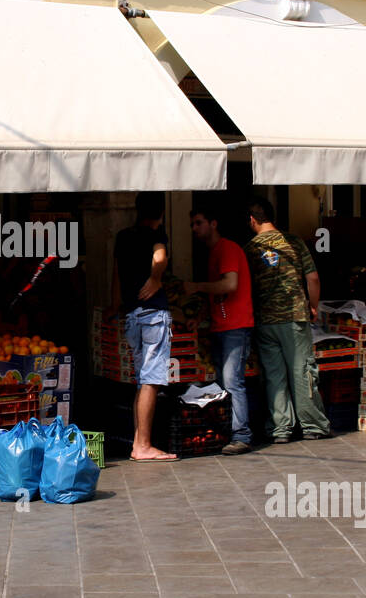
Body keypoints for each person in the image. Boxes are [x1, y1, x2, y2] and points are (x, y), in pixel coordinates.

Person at [243, 196, 331, 443]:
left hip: (265, 321)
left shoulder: (249, 249)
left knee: (274, 375)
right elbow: (313, 278)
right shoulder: (293, 241)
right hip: (294, 317)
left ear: (252, 220)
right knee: (302, 371)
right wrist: (313, 306)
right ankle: (312, 425)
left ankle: (280, 429)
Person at [111, 192, 177, 461]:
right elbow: (160, 258)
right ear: (161, 213)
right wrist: (155, 279)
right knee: (152, 380)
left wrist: (116, 306)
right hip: (153, 315)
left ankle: (139, 442)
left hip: (133, 316)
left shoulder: (123, 236)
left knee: (142, 380)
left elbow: (115, 275)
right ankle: (144, 445)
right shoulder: (157, 235)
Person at [185, 204, 254, 453]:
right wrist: (201, 316)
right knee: (224, 383)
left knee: (232, 381)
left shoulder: (227, 249)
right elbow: (215, 294)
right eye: (192, 224)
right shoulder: (213, 253)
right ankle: (230, 431)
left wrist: (196, 287)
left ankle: (242, 435)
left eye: (199, 223)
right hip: (220, 326)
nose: (194, 229)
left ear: (213, 224)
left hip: (236, 326)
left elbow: (229, 284)